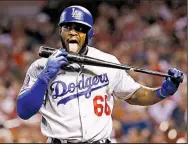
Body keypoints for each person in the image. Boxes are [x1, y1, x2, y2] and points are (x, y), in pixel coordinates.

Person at [16, 6, 184, 143]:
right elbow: (23, 111)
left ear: (89, 33)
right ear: (60, 31)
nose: (73, 32)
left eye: (79, 28)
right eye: (68, 27)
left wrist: (162, 92)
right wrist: (44, 78)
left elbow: (133, 94)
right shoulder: (41, 66)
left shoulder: (107, 61)